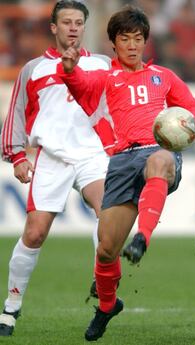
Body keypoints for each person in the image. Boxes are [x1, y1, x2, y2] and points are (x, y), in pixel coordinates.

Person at [58, 5, 195, 341]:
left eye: (138, 38)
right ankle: (108, 305)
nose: (132, 45)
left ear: (145, 42)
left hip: (158, 150)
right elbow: (80, 85)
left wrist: (189, 122)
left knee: (160, 162)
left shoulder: (164, 76)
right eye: (125, 39)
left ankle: (143, 238)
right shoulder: (105, 78)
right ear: (114, 43)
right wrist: (68, 70)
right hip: (122, 162)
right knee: (107, 249)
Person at [0, 0, 114, 336]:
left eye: (79, 22)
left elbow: (120, 103)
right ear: (54, 27)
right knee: (35, 233)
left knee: (108, 214)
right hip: (52, 157)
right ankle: (11, 307)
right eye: (66, 22)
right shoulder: (34, 69)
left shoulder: (102, 64)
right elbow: (16, 115)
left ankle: (101, 279)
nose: (74, 27)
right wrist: (18, 156)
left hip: (94, 153)